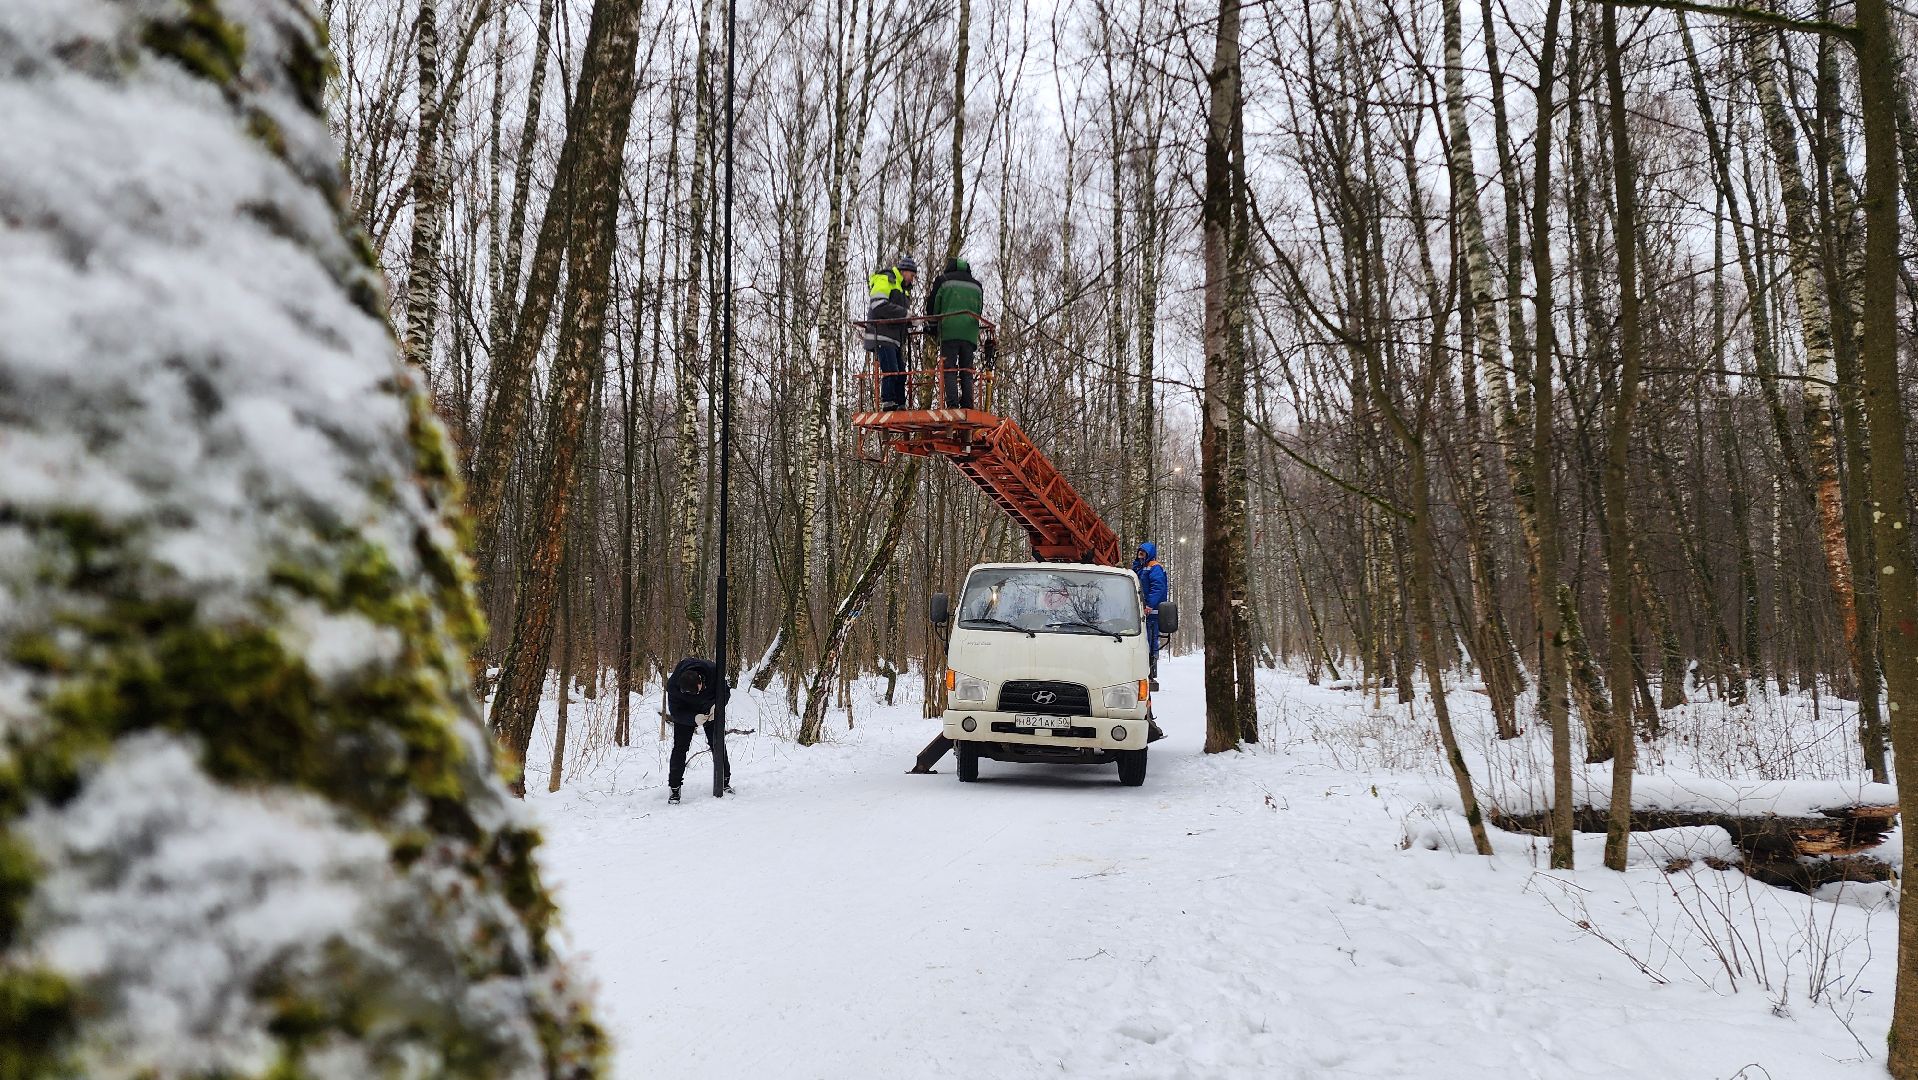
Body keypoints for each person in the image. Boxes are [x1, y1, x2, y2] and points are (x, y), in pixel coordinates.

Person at [665, 656, 732, 802]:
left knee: (717, 743)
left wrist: (717, 706)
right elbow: (676, 712)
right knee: (680, 748)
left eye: (696, 691)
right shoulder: (673, 685)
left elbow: (726, 692)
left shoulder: (714, 672)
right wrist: (693, 718)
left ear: (700, 681)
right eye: (688, 693)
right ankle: (674, 788)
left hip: (710, 710)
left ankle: (724, 780)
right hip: (686, 714)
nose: (694, 695)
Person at [922, 256, 984, 409]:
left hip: (949, 331)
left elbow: (933, 306)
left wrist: (933, 326)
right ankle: (968, 403)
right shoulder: (977, 286)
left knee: (949, 368)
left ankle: (952, 404)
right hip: (969, 333)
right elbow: (979, 309)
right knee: (966, 369)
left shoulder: (943, 281)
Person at [863, 257, 917, 409]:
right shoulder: (886, 279)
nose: (912, 279)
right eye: (912, 275)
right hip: (882, 334)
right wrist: (905, 314)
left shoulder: (903, 289)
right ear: (904, 271)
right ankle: (888, 402)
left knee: (901, 372)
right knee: (891, 369)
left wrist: (911, 321)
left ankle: (900, 403)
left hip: (895, 337)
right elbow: (878, 304)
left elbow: (898, 312)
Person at [1132, 542, 1168, 690]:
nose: (1140, 556)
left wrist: (1150, 605)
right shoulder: (1140, 567)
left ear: (1149, 554)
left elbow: (1158, 587)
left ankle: (1150, 669)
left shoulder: (1154, 567)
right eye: (1139, 553)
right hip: (1140, 611)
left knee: (1150, 642)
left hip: (1151, 614)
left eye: (1143, 553)